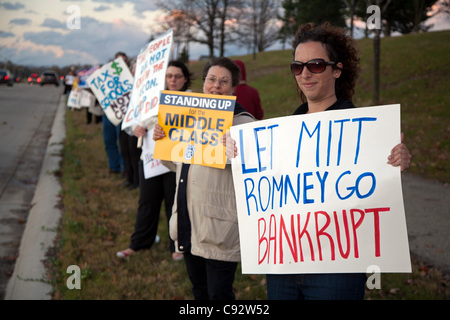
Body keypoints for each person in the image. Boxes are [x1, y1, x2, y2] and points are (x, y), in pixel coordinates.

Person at [223, 22, 412, 300]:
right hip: (283, 264)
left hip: (337, 271)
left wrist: (397, 162)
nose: (305, 74)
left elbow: (376, 191)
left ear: (337, 69)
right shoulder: (280, 134)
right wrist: (239, 153)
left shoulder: (364, 132)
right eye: (297, 66)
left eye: (316, 65)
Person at [153, 57, 255, 300]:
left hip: (219, 228)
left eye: (223, 81)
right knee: (199, 291)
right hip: (188, 222)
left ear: (233, 89)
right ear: (203, 84)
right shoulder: (188, 118)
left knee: (219, 294)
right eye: (211, 79)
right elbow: (177, 164)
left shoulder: (243, 122)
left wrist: (236, 150)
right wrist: (163, 141)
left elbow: (254, 170)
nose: (216, 86)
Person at [116, 61, 192, 261]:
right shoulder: (151, 97)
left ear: (185, 79)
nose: (173, 79)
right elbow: (135, 121)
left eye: (177, 76)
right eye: (169, 76)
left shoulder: (192, 100)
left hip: (176, 161)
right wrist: (137, 129)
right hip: (150, 159)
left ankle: (176, 245)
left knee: (174, 203)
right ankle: (139, 243)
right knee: (147, 202)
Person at [103, 51, 127, 175]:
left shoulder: (131, 79)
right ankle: (114, 166)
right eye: (118, 61)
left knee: (122, 143)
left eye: (124, 61)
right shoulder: (107, 78)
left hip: (123, 115)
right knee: (109, 140)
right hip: (108, 114)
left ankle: (124, 167)